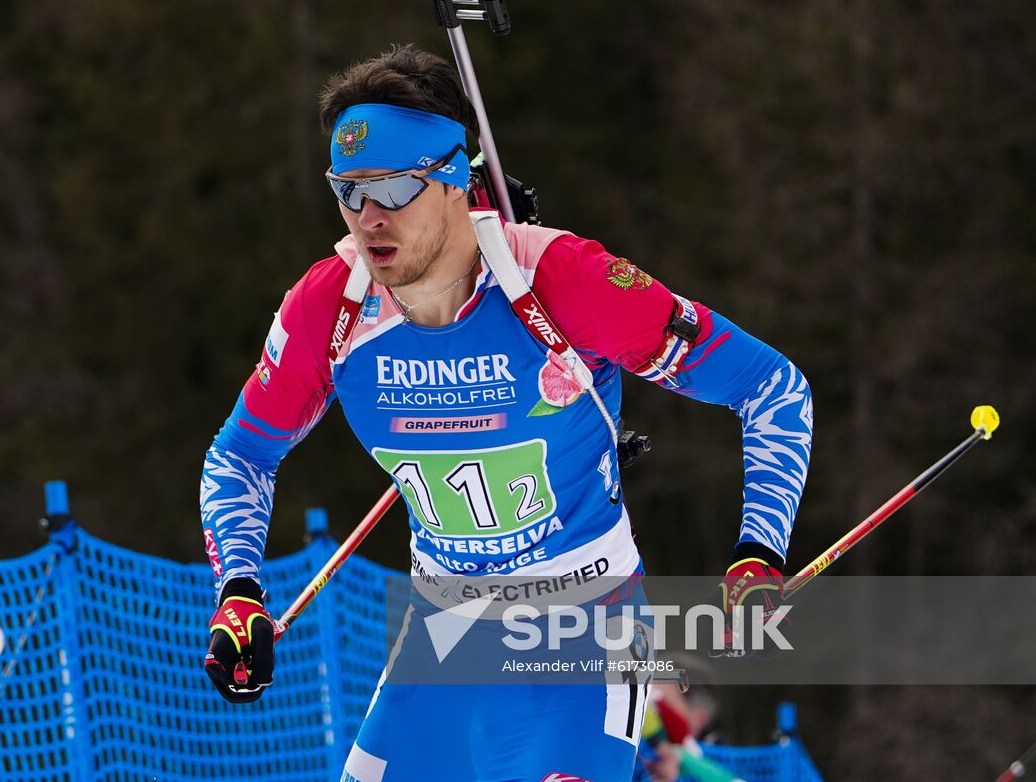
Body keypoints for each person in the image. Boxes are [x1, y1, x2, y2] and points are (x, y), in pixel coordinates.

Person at [199, 44, 813, 782]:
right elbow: (241, 455)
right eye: (348, 189)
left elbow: (772, 388)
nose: (368, 217)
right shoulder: (329, 310)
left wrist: (759, 552)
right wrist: (238, 590)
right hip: (446, 635)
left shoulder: (561, 281)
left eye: (393, 187)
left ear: (455, 176)